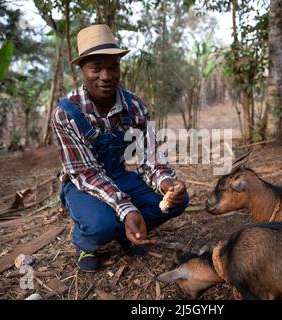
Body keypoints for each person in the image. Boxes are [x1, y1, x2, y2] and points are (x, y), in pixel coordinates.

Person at [51, 24, 189, 272]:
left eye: (113, 67)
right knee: (101, 224)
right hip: (82, 183)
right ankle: (86, 243)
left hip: (117, 175)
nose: (106, 76)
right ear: (83, 70)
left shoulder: (134, 105)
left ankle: (129, 232)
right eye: (96, 68)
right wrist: (127, 209)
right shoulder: (66, 113)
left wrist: (166, 182)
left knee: (176, 201)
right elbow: (86, 174)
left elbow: (151, 159)